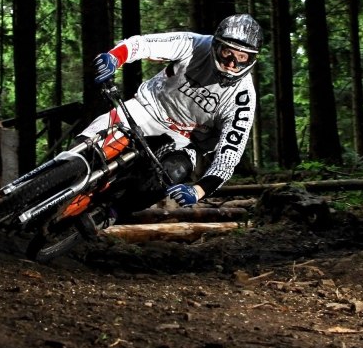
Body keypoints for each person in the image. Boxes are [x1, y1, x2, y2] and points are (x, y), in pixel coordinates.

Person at [81, 13, 262, 209]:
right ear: (216, 45)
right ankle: (64, 165)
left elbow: (228, 157)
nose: (232, 63)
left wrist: (198, 190)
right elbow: (145, 44)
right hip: (147, 108)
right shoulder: (195, 44)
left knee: (172, 174)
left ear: (252, 58)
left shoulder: (243, 98)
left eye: (242, 56)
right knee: (88, 143)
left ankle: (113, 212)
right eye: (228, 52)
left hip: (186, 140)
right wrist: (115, 58)